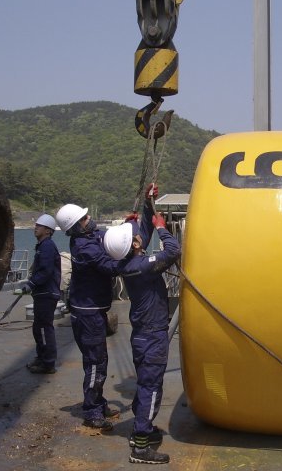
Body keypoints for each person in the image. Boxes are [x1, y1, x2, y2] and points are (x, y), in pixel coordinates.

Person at [55, 190, 156, 431]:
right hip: (87, 313)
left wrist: (135, 218)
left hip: (93, 308)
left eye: (87, 216)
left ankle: (97, 402)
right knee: (95, 362)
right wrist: (136, 255)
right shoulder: (84, 248)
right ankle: (91, 410)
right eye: (84, 219)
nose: (90, 220)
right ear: (76, 228)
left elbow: (114, 237)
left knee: (99, 360)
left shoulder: (92, 236)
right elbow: (111, 266)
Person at [103, 203, 181, 465]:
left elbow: (138, 236)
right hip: (152, 335)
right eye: (135, 236)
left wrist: (148, 205)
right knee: (151, 387)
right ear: (134, 246)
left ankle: (142, 425)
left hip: (142, 335)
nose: (139, 236)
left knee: (146, 385)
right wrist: (162, 229)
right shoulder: (142, 266)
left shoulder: (128, 261)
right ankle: (140, 444)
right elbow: (173, 251)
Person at [22, 214, 61, 374]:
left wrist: (31, 283)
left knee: (44, 328)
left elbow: (45, 271)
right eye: (36, 225)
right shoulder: (42, 245)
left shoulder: (47, 246)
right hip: (42, 293)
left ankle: (48, 363)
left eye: (39, 226)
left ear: (48, 230)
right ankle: (42, 357)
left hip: (46, 293)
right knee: (38, 328)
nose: (35, 228)